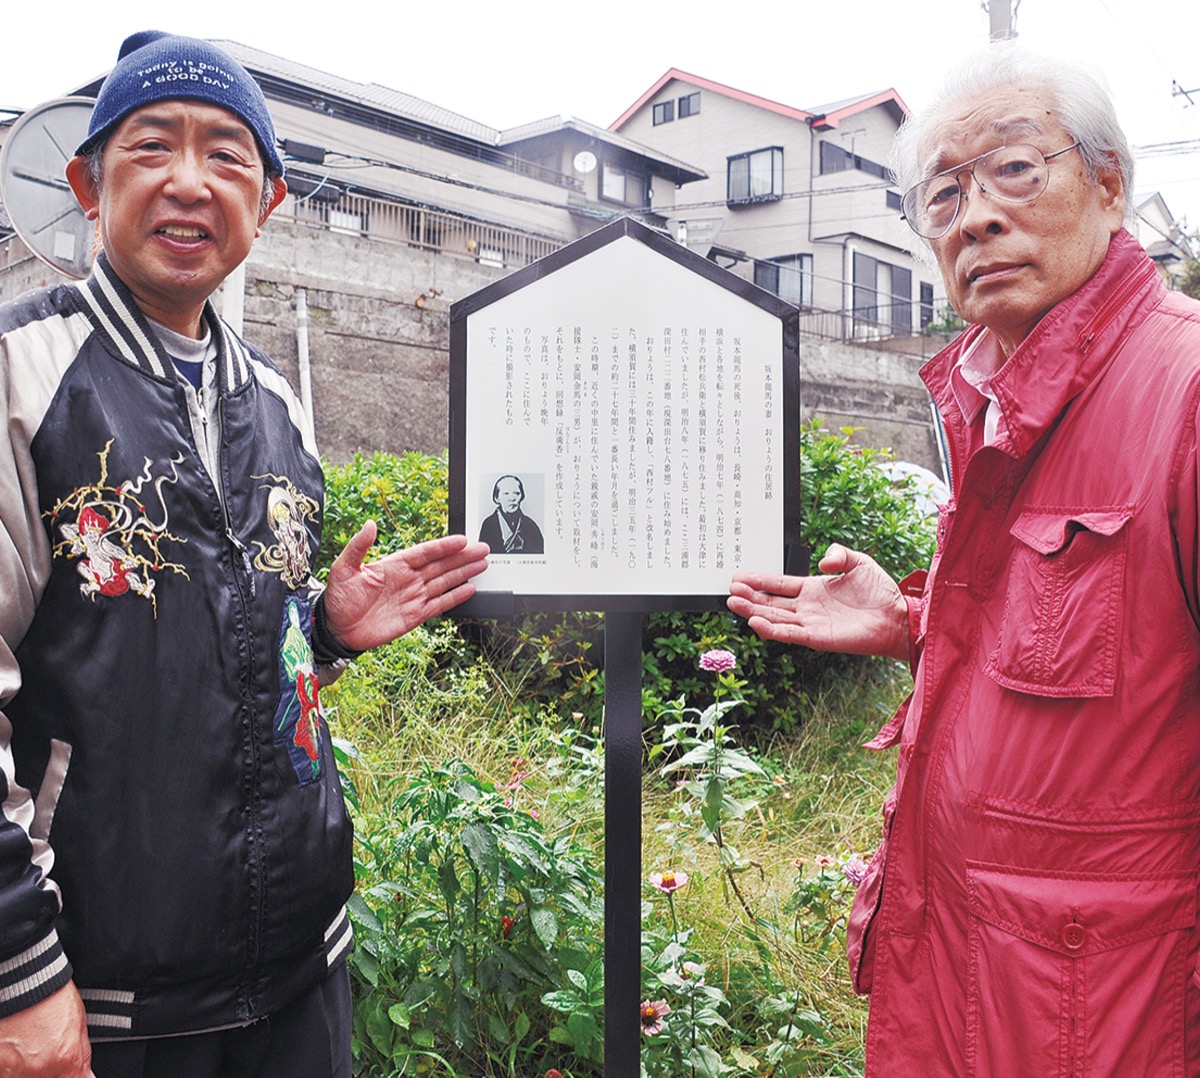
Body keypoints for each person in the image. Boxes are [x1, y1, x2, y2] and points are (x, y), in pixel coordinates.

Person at [0, 31, 489, 1078]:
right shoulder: (22, 376)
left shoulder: (277, 404)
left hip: (300, 973)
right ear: (88, 183)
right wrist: (20, 970)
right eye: (151, 148)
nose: (188, 182)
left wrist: (322, 633)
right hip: (103, 992)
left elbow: (208, 645)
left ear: (265, 203)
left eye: (227, 155)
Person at [729, 44, 1200, 1075]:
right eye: (943, 195)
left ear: (1110, 183)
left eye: (1015, 171)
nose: (975, 215)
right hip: (978, 1002)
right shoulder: (1001, 409)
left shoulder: (1184, 391)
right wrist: (911, 626)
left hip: (1112, 1023)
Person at [479, 474, 544, 554]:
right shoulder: (489, 525)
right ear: (497, 498)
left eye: (516, 493)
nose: (512, 498)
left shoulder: (530, 526)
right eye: (506, 494)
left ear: (522, 496)